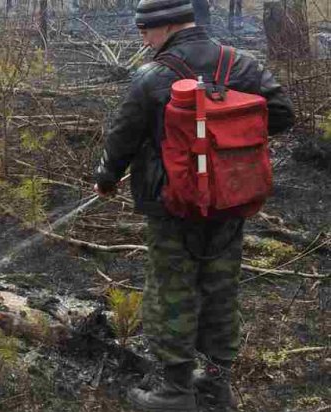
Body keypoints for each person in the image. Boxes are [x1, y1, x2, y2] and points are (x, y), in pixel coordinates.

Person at [93, 0, 294, 411]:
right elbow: (281, 114)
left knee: (172, 291)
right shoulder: (240, 64)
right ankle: (217, 386)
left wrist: (106, 178)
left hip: (173, 206)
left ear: (165, 27)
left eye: (145, 31)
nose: (143, 40)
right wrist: (227, 144)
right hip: (231, 199)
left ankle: (175, 391)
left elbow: (122, 139)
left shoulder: (152, 76)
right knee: (221, 288)